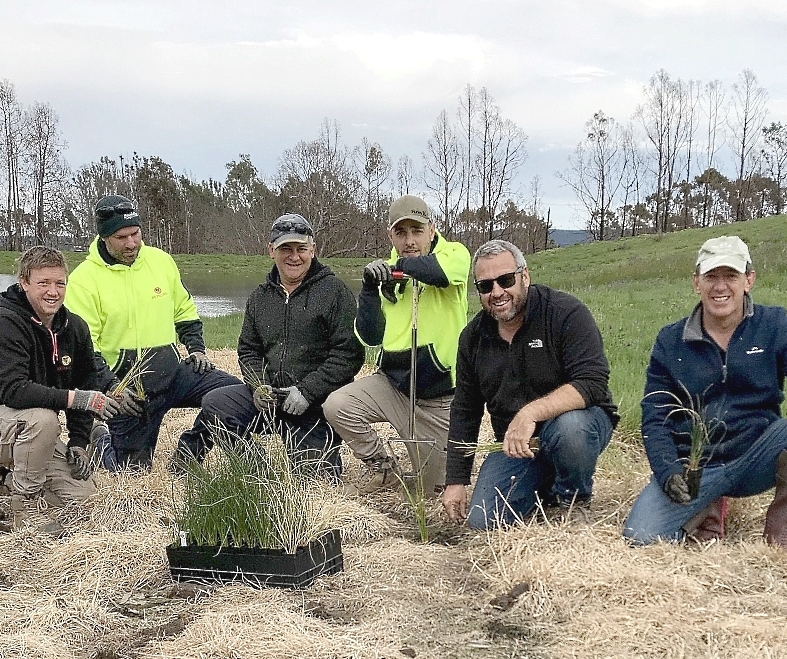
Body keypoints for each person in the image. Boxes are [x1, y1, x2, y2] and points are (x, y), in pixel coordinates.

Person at [622, 235, 787, 548]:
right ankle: (707, 507)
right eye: (711, 276)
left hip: (757, 457)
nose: (720, 286)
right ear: (696, 283)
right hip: (697, 469)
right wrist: (669, 472)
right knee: (641, 538)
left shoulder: (774, 325)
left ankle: (781, 527)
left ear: (749, 280)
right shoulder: (670, 341)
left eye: (731, 276)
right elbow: (655, 416)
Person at [441, 240, 619, 529]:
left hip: (576, 426)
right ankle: (544, 484)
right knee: (482, 521)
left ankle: (573, 502)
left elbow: (593, 383)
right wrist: (456, 480)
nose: (497, 292)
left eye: (506, 280)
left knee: (570, 430)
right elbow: (465, 410)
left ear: (525, 276)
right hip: (516, 446)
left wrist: (530, 413)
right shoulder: (472, 338)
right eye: (486, 286)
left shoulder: (565, 313)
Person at [176, 214, 364, 476]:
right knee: (217, 403)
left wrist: (306, 392)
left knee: (315, 481)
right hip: (271, 399)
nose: (294, 257)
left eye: (301, 249)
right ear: (271, 251)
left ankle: (312, 459)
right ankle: (258, 472)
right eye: (285, 249)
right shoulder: (260, 298)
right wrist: (258, 386)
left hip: (315, 405)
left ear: (313, 250)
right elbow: (248, 350)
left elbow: (349, 355)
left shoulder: (335, 293)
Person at [64, 194, 241, 470]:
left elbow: (184, 309)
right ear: (104, 237)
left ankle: (190, 452)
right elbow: (85, 349)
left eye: (135, 234)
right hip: (128, 392)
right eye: (122, 237)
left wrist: (196, 348)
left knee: (232, 394)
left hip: (173, 375)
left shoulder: (161, 261)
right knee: (131, 471)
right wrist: (111, 388)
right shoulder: (83, 281)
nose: (132, 243)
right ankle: (99, 442)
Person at [0, 246, 124, 529]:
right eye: (43, 283)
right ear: (24, 283)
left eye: (60, 283)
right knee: (44, 420)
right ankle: (27, 510)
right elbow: (15, 392)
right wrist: (78, 399)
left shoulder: (76, 328)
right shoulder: (4, 325)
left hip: (31, 429)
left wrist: (80, 444)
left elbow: (84, 382)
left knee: (83, 497)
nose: (53, 291)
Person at [323, 195, 471, 493]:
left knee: (431, 495)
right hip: (393, 387)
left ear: (432, 229)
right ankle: (385, 470)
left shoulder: (455, 254)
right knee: (337, 405)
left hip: (438, 399)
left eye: (417, 231)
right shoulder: (384, 273)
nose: (410, 240)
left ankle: (431, 471)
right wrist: (368, 289)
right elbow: (370, 337)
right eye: (401, 233)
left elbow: (439, 273)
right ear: (391, 235)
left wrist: (399, 267)